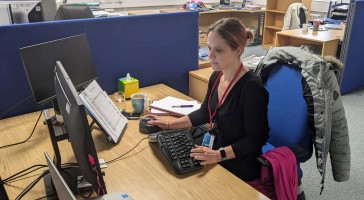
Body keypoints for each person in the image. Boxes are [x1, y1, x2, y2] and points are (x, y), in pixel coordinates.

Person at [147, 17, 269, 182]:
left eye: (218, 50)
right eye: (209, 48)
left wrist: (219, 155)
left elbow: (256, 139)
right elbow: (205, 112)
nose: (210, 55)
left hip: (238, 159)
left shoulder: (251, 88)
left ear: (238, 50)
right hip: (215, 146)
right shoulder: (217, 76)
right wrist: (168, 125)